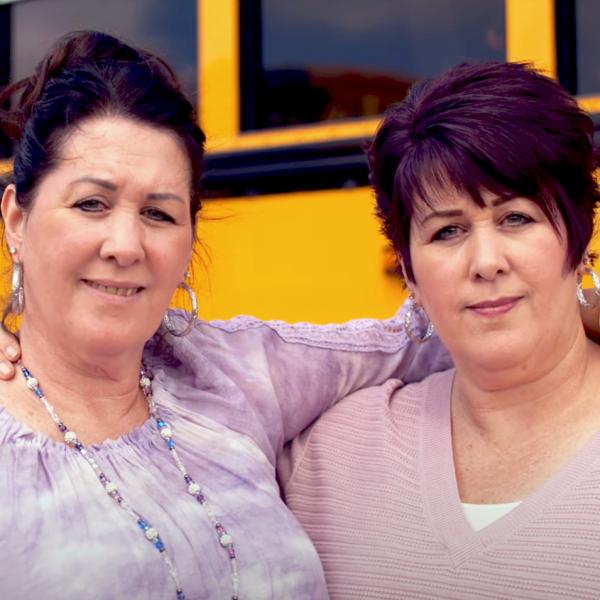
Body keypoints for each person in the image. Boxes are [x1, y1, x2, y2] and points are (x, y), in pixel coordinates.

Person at [0, 30, 459, 599]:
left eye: (159, 214)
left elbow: (429, 336)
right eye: (91, 203)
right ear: (17, 221)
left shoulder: (233, 375)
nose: (126, 244)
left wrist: (583, 303)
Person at [276, 61, 600, 599]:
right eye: (447, 231)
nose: (486, 261)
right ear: (409, 272)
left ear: (580, 235)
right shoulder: (331, 457)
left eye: (516, 218)